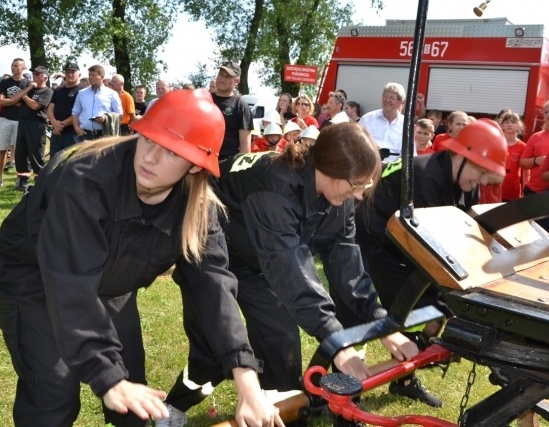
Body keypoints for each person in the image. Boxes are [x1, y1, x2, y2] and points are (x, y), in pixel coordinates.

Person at [0, 89, 282, 427]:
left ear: (194, 166)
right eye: (150, 140)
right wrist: (106, 377)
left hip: (112, 282)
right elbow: (70, 281)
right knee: (54, 390)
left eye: (172, 152)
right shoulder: (85, 179)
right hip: (37, 278)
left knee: (133, 392)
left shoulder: (198, 209)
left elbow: (213, 288)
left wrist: (247, 379)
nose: (151, 158)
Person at [163, 123, 419, 422]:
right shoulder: (276, 186)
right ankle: (174, 406)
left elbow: (346, 263)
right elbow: (289, 269)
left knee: (281, 338)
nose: (360, 196)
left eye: (366, 185)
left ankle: (279, 414)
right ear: (330, 169)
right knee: (214, 344)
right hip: (210, 246)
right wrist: (334, 339)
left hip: (258, 256)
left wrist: (381, 324)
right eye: (356, 185)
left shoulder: (341, 195)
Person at [348, 119, 508, 405]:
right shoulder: (425, 177)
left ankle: (405, 376)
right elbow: (423, 250)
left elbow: (459, 235)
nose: (483, 181)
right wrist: (449, 300)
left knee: (429, 308)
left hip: (400, 241)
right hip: (373, 240)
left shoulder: (464, 184)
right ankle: (345, 389)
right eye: (481, 172)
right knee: (404, 305)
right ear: (460, 155)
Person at [0, 59, 31, 188]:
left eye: (16, 66)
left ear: (23, 67)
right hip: (5, 119)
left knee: (20, 152)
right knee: (2, 149)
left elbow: (27, 104)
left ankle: (19, 179)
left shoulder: (27, 83)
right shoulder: (5, 82)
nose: (13, 68)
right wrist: (16, 101)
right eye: (12, 65)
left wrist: (9, 101)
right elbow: (0, 101)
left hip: (20, 120)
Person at [13, 66, 53, 191]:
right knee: (21, 152)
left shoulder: (47, 91)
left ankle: (39, 181)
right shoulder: (29, 89)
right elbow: (15, 99)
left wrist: (25, 97)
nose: (34, 76)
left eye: (37, 74)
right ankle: (22, 181)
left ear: (45, 77)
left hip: (36, 123)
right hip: (23, 122)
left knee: (36, 152)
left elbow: (35, 106)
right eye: (34, 74)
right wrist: (27, 89)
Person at [519, 98, 549, 195]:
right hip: (535, 190)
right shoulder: (536, 137)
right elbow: (522, 162)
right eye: (546, 112)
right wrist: (535, 160)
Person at [212, 61, 253, 160]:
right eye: (221, 74)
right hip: (200, 161)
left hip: (226, 163)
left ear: (237, 81)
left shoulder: (241, 106)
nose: (223, 79)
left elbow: (245, 147)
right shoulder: (204, 100)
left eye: (228, 76)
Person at [71, 64, 121, 141]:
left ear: (102, 77)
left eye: (93, 75)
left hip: (104, 135)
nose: (90, 77)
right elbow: (75, 113)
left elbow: (119, 114)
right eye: (89, 75)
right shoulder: (81, 93)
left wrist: (105, 118)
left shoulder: (112, 94)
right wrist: (77, 128)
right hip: (85, 134)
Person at [358, 83, 406, 161]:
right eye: (385, 96)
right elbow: (355, 142)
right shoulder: (367, 119)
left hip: (395, 167)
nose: (387, 100)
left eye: (392, 98)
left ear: (400, 102)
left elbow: (411, 154)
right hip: (369, 164)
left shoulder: (406, 125)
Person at [47, 63, 81, 158]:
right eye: (67, 72)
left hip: (73, 133)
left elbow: (80, 112)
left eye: (73, 72)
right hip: (56, 132)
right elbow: (50, 108)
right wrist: (54, 123)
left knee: (71, 161)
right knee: (54, 161)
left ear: (79, 74)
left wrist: (61, 125)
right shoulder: (58, 90)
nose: (70, 74)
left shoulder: (82, 91)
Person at [499, 110, 526, 201]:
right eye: (506, 122)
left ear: (519, 126)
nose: (509, 125)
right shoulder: (496, 143)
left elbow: (526, 173)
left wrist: (524, 191)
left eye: (513, 122)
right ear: (502, 125)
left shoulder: (523, 146)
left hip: (513, 191)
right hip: (496, 189)